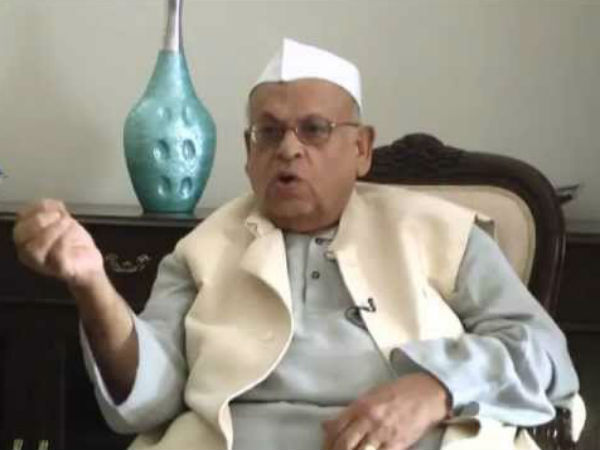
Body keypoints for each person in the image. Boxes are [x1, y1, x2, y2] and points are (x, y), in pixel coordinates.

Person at [12, 38, 584, 450]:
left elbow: (545, 354)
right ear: (248, 153)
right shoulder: (201, 250)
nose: (288, 148)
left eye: (314, 129)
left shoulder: (443, 232)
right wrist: (91, 285)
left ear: (362, 149)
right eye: (269, 132)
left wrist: (438, 389)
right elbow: (149, 401)